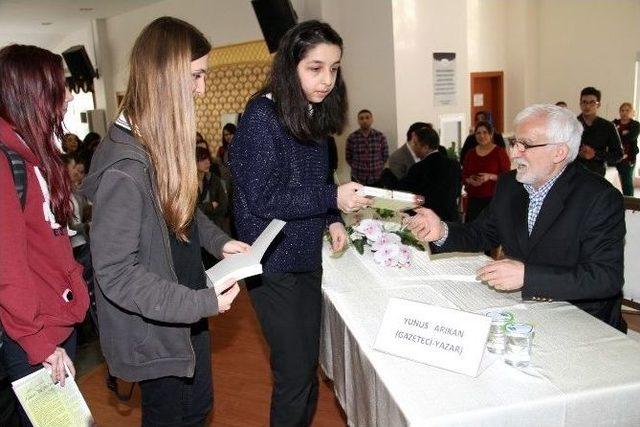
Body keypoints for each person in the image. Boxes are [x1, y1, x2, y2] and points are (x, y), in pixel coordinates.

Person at [81, 17, 248, 426]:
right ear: (164, 75)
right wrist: (199, 303)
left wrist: (219, 242)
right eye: (196, 75)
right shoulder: (125, 166)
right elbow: (116, 273)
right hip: (159, 324)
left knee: (198, 409)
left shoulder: (156, 140)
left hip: (183, 311)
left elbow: (183, 213)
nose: (202, 89)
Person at [229, 20, 370, 426]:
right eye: (315, 68)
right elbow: (262, 197)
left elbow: (318, 181)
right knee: (293, 375)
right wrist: (331, 199)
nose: (327, 79)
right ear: (290, 66)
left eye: (335, 68)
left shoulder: (311, 115)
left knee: (306, 369)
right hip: (272, 264)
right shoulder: (262, 115)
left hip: (306, 256)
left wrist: (332, 218)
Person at [406, 104, 626, 333]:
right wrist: (442, 230)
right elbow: (481, 233)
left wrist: (527, 276)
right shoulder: (510, 185)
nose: (514, 154)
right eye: (514, 143)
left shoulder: (599, 198)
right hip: (525, 309)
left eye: (525, 145)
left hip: (582, 319)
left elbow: (604, 278)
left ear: (559, 152)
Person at [0, 44, 90, 426]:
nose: (68, 95)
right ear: (30, 94)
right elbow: (8, 269)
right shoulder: (6, 160)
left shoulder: (33, 151)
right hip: (33, 337)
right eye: (58, 86)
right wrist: (39, 343)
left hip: (52, 324)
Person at [395, 126, 460, 221]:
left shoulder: (418, 168)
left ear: (425, 147)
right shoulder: (454, 165)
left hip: (428, 221)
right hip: (450, 218)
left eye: (416, 144)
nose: (413, 147)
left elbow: (402, 190)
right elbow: (457, 192)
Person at [462, 120, 511, 222]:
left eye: (485, 132)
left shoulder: (499, 153)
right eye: (478, 133)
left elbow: (507, 177)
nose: (481, 136)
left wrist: (490, 176)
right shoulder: (470, 154)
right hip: (473, 200)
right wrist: (469, 180)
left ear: (491, 134)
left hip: (493, 200)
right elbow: (464, 175)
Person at [576, 86, 623, 176]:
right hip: (574, 173)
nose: (587, 106)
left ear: (598, 104)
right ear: (580, 104)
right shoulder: (571, 124)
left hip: (597, 174)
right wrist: (577, 153)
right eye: (584, 102)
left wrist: (595, 154)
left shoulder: (608, 126)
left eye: (592, 102)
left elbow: (618, 155)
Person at [345, 109, 389, 184]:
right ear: (358, 121)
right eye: (361, 118)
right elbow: (348, 157)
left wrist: (378, 167)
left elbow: (385, 155)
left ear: (372, 119)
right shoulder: (352, 137)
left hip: (377, 177)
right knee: (357, 196)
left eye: (367, 117)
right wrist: (357, 167)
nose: (364, 120)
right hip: (357, 177)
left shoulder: (380, 136)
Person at [613, 102, 640, 196]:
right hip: (615, 157)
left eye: (627, 110)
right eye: (622, 110)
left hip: (628, 158)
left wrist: (620, 136)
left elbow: (630, 138)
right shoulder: (614, 123)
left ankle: (630, 204)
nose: (624, 112)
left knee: (627, 182)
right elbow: (612, 138)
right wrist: (623, 134)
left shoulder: (635, 125)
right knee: (612, 179)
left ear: (632, 112)